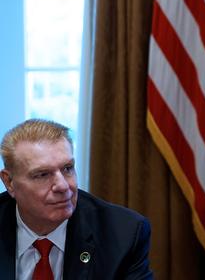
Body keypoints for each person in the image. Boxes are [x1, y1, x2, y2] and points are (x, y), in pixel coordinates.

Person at [0, 119, 153, 279]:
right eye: (42, 174)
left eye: (67, 168)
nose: (63, 186)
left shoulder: (123, 234)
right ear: (9, 182)